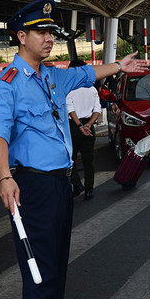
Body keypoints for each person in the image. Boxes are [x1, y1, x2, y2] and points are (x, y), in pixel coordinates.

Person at [0, 0, 146, 299]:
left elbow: (88, 73)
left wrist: (119, 66)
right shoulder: (7, 84)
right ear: (21, 36)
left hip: (60, 183)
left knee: (58, 261)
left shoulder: (52, 76)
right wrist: (5, 177)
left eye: (51, 33)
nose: (49, 38)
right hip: (33, 185)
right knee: (39, 267)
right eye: (41, 32)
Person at [65, 60, 101, 201]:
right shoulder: (92, 89)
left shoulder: (69, 88)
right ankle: (89, 190)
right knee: (89, 160)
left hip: (73, 126)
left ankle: (77, 184)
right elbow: (97, 109)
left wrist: (79, 125)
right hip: (89, 125)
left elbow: (70, 108)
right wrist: (88, 124)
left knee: (70, 158)